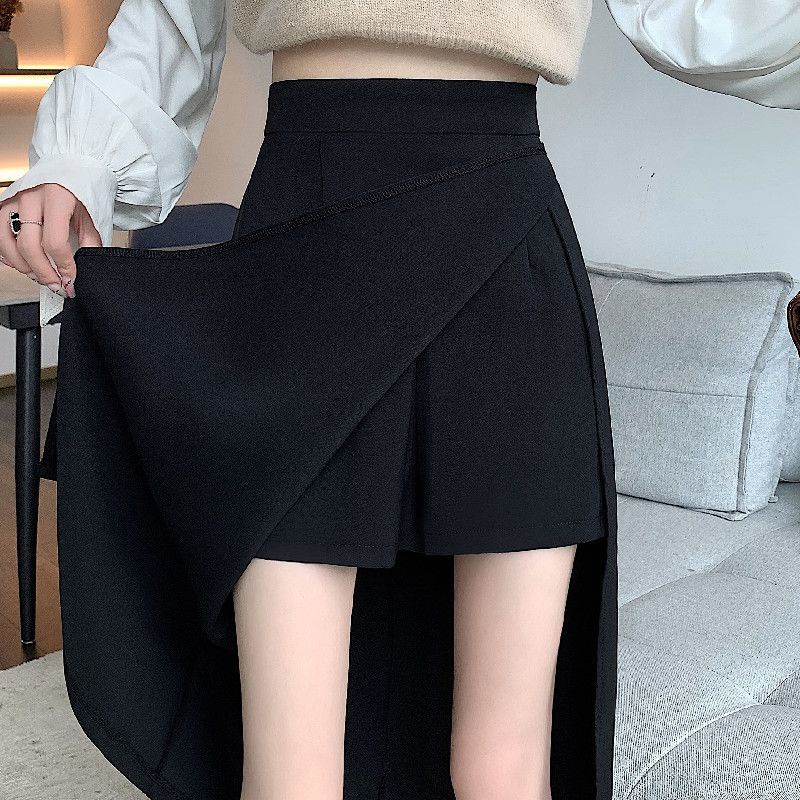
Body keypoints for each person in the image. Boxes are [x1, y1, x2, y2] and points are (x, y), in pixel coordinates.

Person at [0, 3, 618, 800]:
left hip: (507, 262)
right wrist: (76, 162)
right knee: (289, 774)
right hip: (303, 263)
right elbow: (169, 24)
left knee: (504, 769)